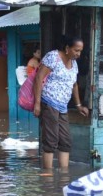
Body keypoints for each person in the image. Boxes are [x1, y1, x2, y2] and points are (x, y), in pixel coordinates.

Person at [33, 36, 89, 171]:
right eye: (76, 50)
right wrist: (37, 103)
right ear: (67, 48)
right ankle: (48, 177)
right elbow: (39, 78)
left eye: (80, 51)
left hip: (62, 107)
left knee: (65, 141)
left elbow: (74, 84)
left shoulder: (73, 63)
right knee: (51, 140)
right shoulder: (53, 57)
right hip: (49, 103)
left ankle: (64, 176)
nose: (78, 54)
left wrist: (78, 105)